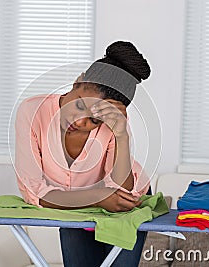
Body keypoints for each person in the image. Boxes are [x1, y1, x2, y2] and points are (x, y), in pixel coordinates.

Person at [15, 41, 151, 267]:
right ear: (78, 81)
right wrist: (97, 197)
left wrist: (121, 136)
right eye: (79, 105)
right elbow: (34, 193)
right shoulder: (31, 112)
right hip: (72, 206)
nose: (79, 122)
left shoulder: (114, 124)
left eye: (94, 120)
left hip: (122, 200)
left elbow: (121, 188)